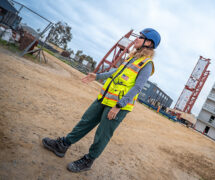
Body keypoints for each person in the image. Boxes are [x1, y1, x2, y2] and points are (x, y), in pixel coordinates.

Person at [42, 28, 161, 172]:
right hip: (104, 98)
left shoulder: (147, 64)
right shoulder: (132, 58)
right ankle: (63, 145)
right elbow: (115, 72)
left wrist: (119, 106)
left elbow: (137, 87)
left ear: (148, 43)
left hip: (118, 106)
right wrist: (97, 76)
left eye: (140, 37)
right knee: (85, 122)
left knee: (102, 135)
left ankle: (88, 161)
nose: (136, 39)